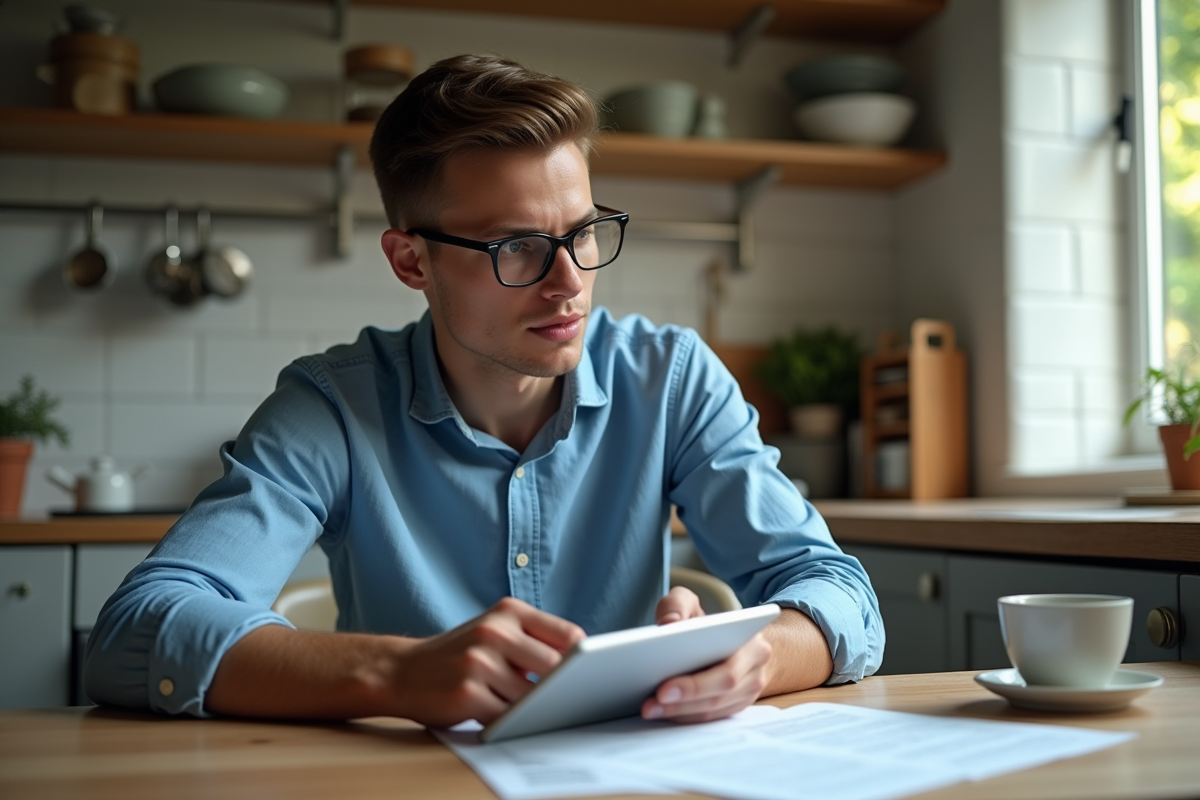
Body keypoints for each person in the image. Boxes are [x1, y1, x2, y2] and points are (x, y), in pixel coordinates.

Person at [84, 54, 883, 726]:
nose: (569, 283)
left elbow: (841, 596)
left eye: (582, 233)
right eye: (517, 247)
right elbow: (133, 632)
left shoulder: (670, 379)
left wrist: (755, 658)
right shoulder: (332, 408)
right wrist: (396, 674)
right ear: (411, 261)